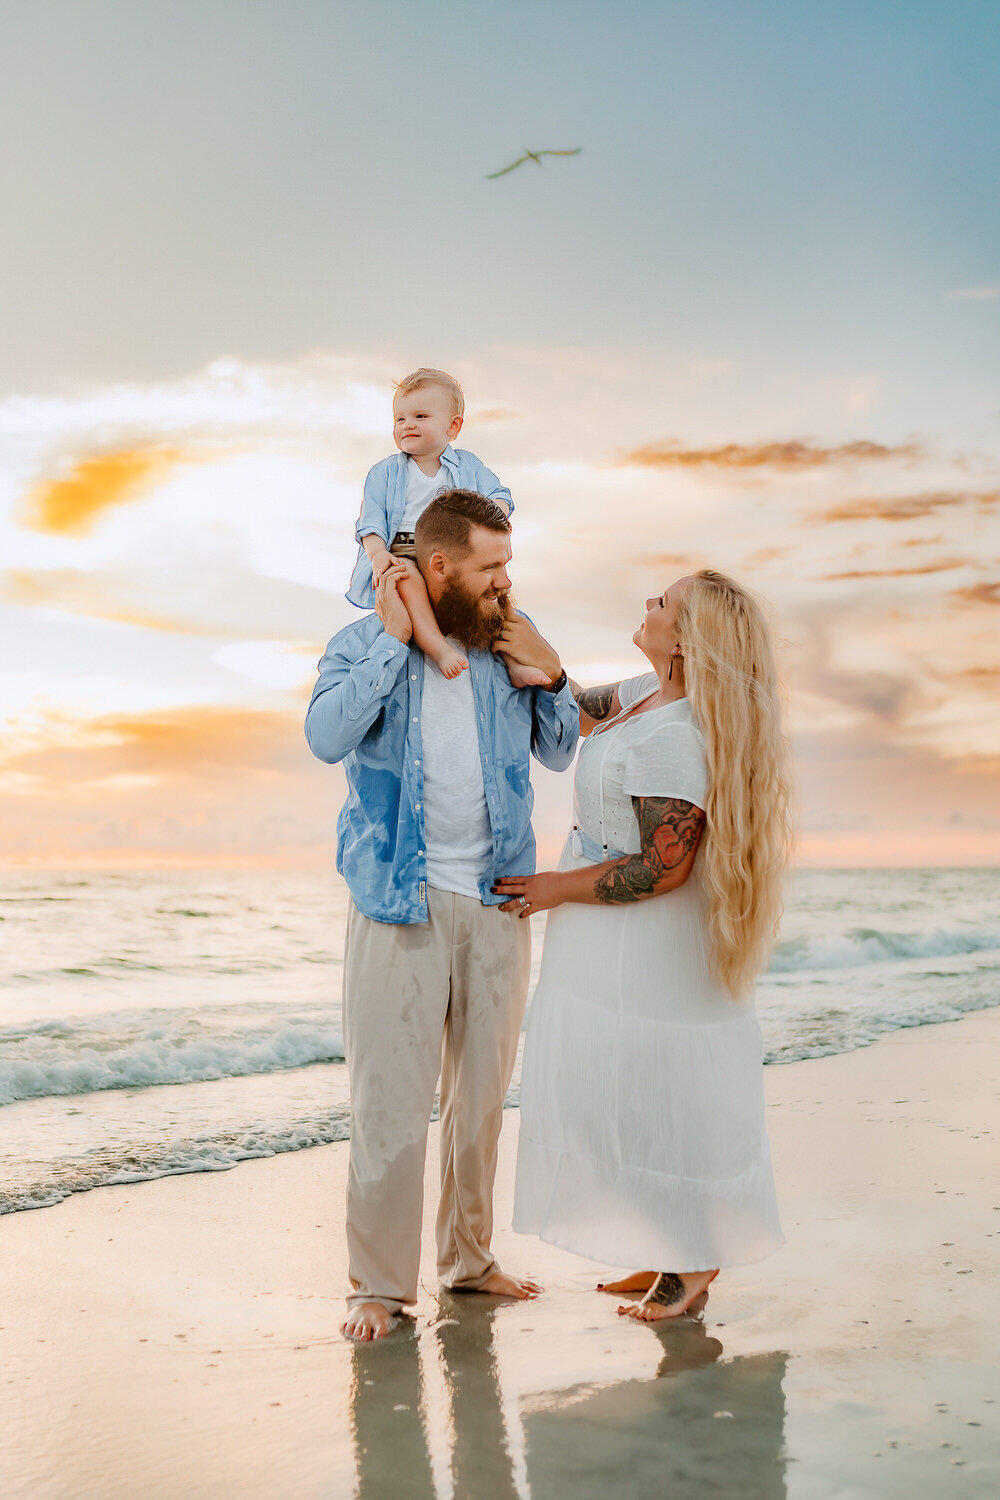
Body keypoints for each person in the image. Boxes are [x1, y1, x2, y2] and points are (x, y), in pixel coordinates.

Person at [306, 489, 580, 1341]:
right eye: (491, 566)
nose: (507, 580)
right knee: (389, 1100)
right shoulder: (362, 641)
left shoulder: (508, 639)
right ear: (439, 567)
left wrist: (555, 669)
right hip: (400, 900)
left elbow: (561, 747)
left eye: (509, 563)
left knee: (481, 1102)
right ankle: (380, 1289)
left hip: (498, 900)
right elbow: (324, 735)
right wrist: (394, 645)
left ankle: (468, 1263)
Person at [495, 570, 792, 1322]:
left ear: (688, 640)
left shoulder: (679, 734)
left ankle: (693, 1261)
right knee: (613, 1095)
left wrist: (553, 888)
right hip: (603, 941)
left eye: (664, 603)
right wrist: (542, 661)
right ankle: (672, 1242)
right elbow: (578, 705)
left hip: (647, 941)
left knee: (655, 1098)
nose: (648, 604)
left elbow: (662, 868)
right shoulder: (644, 696)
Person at [347, 366, 548, 687]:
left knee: (490, 592)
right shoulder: (384, 473)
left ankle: (515, 663)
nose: (407, 425)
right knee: (407, 579)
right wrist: (377, 555)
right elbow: (370, 523)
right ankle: (438, 648)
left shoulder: (467, 465)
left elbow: (500, 496)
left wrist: (489, 516)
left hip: (458, 550)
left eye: (421, 416)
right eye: (400, 419)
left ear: (452, 427)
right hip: (405, 548)